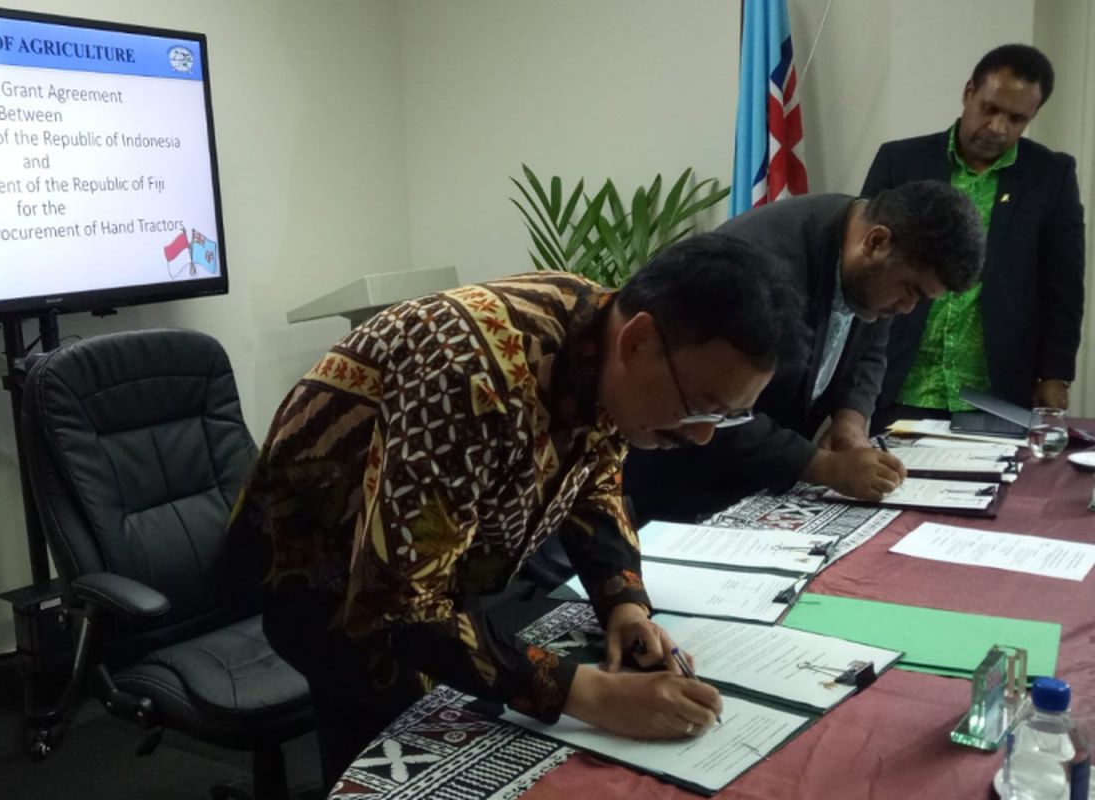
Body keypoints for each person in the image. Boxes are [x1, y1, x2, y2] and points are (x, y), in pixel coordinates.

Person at [225, 234, 808, 785]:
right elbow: (400, 608)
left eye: (727, 415)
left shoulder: (602, 336)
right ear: (638, 342)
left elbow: (593, 477)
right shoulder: (469, 376)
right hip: (328, 581)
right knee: (401, 765)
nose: (705, 435)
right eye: (699, 407)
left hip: (431, 570)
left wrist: (623, 602)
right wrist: (588, 695)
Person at [623, 181, 985, 523]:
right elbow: (714, 408)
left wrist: (851, 419)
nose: (908, 307)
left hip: (755, 479)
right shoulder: (763, 266)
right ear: (877, 242)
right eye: (911, 290)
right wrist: (823, 467)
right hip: (678, 478)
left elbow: (871, 349)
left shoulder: (874, 270)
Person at [862, 43, 1085, 427]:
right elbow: (863, 260)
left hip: (997, 388)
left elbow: (1063, 284)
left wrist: (1055, 373)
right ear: (969, 93)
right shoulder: (901, 161)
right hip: (900, 378)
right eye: (990, 108)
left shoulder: (1051, 176)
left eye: (1016, 119)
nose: (998, 127)